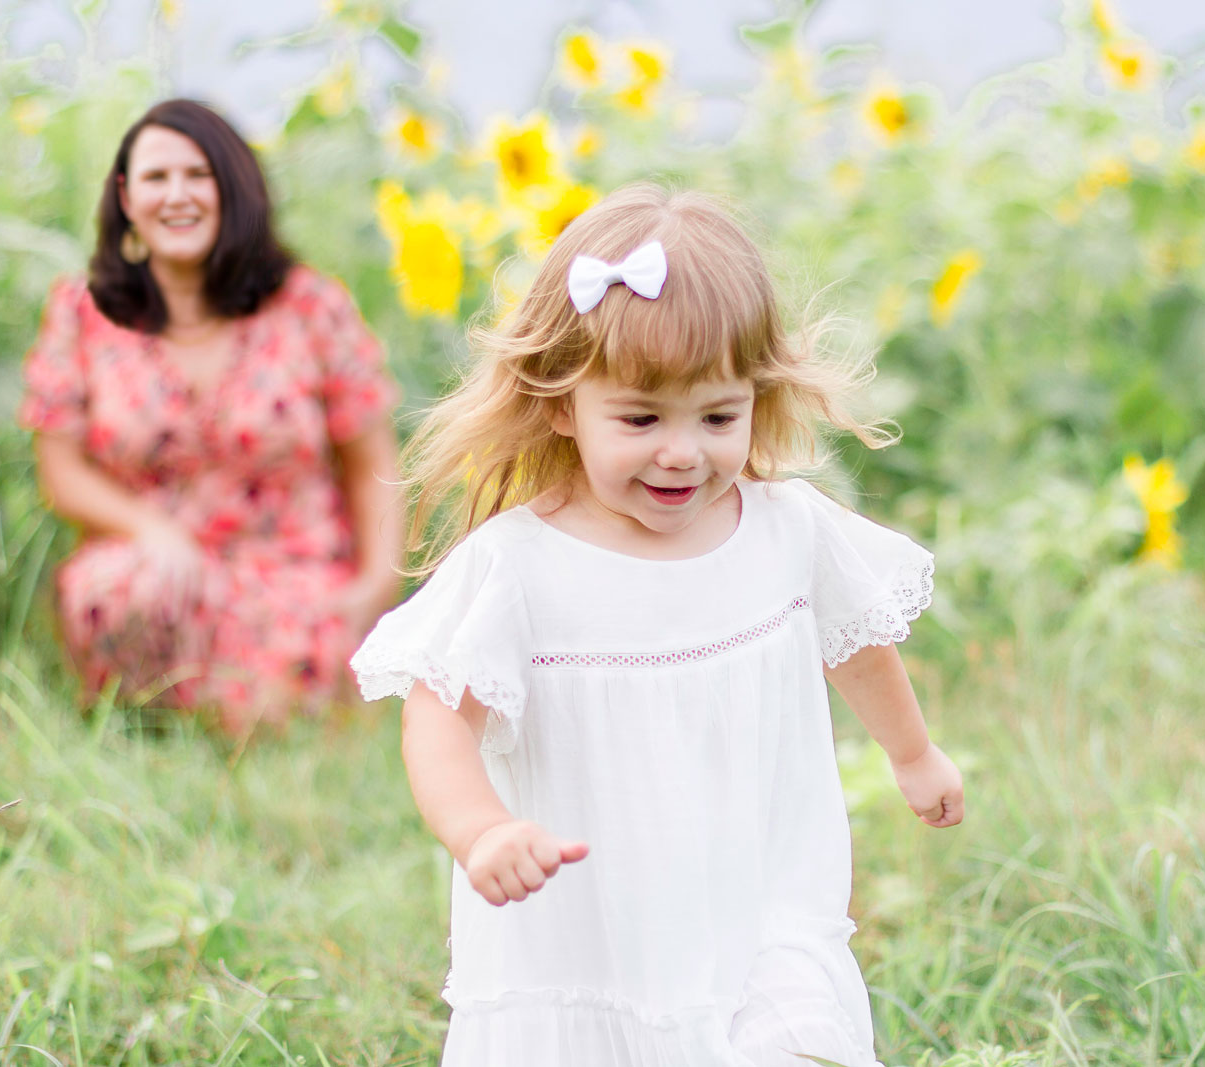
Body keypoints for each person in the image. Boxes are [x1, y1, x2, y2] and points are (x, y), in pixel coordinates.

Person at [350, 184, 963, 1066]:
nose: (683, 450)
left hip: (762, 910)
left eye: (718, 416)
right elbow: (439, 712)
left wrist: (911, 752)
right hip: (587, 937)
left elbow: (857, 641)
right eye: (640, 418)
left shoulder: (787, 527)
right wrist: (480, 828)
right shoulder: (519, 565)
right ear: (563, 404)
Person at [19, 99, 402, 735]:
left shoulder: (309, 305)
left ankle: (261, 712)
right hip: (154, 568)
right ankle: (139, 731)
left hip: (289, 570)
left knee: (271, 711)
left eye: (199, 176)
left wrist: (374, 590)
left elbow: (374, 466)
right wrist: (151, 530)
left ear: (236, 188)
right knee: (117, 592)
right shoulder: (84, 311)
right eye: (156, 178)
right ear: (126, 196)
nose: (178, 195)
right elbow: (60, 470)